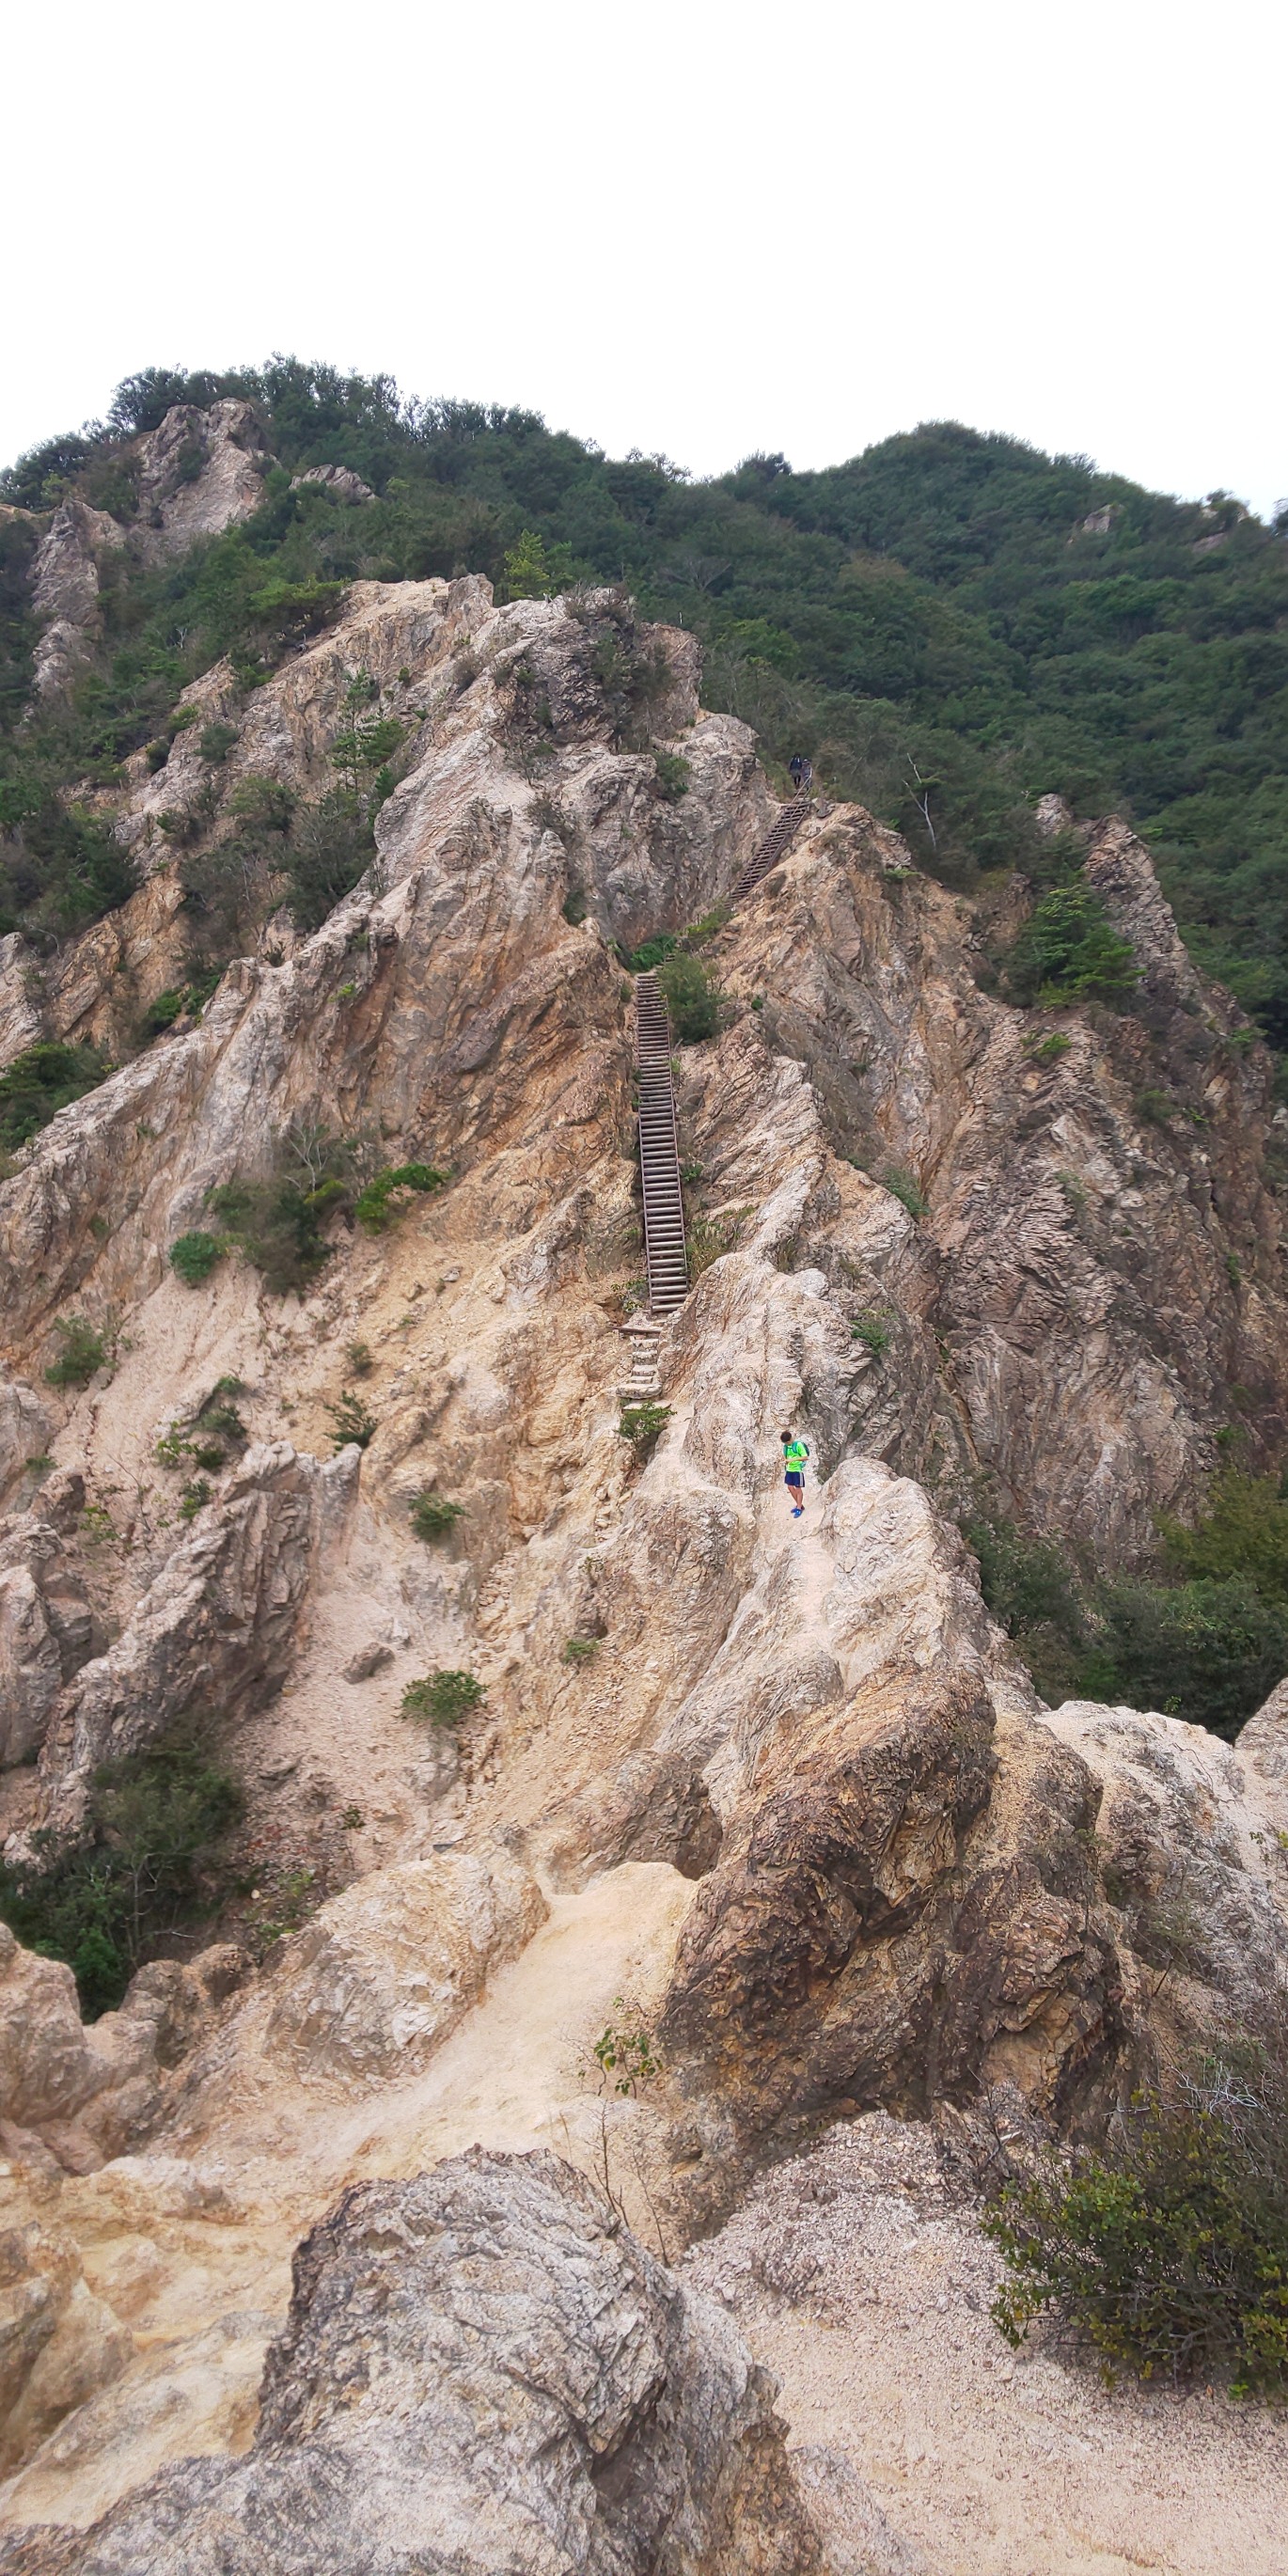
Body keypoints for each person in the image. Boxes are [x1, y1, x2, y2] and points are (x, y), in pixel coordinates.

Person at [781, 1427, 809, 1518]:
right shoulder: (785, 1447)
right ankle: (799, 1505)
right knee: (790, 1487)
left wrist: (793, 1459)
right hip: (789, 1470)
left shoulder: (798, 1445)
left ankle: (798, 1507)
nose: (788, 1444)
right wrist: (786, 1461)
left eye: (788, 1442)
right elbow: (785, 1457)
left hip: (797, 1470)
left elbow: (805, 1457)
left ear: (791, 1439)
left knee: (798, 1489)